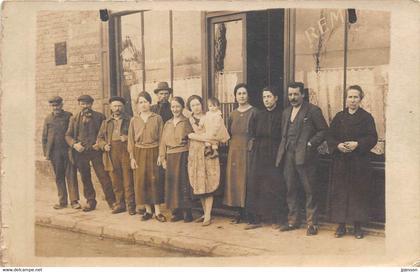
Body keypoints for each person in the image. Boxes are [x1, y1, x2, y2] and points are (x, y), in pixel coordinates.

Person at [275, 82, 328, 236]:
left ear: (302, 94)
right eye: (290, 94)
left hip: (306, 157)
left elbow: (323, 130)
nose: (293, 97)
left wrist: (310, 143)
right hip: (288, 156)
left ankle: (312, 224)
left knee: (309, 190)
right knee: (290, 188)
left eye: (296, 94)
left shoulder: (313, 110)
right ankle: (293, 221)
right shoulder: (286, 112)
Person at [326, 85, 378, 239]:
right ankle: (341, 226)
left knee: (358, 193)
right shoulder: (339, 117)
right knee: (340, 193)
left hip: (359, 162)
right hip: (341, 161)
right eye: (350, 97)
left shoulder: (366, 117)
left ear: (361, 99)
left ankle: (357, 227)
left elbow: (372, 137)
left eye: (356, 97)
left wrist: (358, 144)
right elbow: (330, 135)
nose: (352, 100)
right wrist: (337, 145)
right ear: (346, 99)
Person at [65, 95, 116, 212]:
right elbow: (68, 135)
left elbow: (105, 133)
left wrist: (99, 144)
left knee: (103, 176)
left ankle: (112, 201)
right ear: (79, 105)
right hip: (81, 152)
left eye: (87, 104)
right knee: (85, 177)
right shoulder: (74, 119)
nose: (85, 106)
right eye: (82, 104)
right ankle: (90, 201)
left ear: (91, 104)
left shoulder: (99, 117)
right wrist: (74, 144)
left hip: (96, 152)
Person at [246, 87, 287, 230]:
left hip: (275, 153)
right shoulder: (258, 114)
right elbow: (252, 133)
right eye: (264, 97)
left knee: (275, 185)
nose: (267, 100)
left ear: (275, 98)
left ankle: (277, 219)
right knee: (257, 184)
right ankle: (257, 219)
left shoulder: (282, 114)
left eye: (269, 96)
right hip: (259, 152)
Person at [128, 91, 166, 222]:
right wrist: (132, 158)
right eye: (140, 102)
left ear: (150, 103)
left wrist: (161, 155)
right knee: (142, 181)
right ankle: (148, 211)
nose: (143, 105)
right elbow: (131, 140)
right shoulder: (134, 120)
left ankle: (158, 211)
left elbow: (162, 138)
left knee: (154, 181)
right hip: (139, 152)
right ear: (137, 105)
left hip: (154, 151)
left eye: (145, 101)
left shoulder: (157, 118)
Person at [223, 83, 257, 224]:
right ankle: (239, 213)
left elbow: (256, 133)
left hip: (248, 150)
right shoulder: (232, 114)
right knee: (236, 181)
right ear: (235, 96)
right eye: (239, 94)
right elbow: (228, 133)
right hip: (235, 151)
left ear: (248, 95)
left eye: (244, 93)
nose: (241, 96)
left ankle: (250, 213)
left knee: (247, 181)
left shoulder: (255, 112)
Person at [97, 96, 136, 215]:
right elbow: (99, 138)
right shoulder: (106, 122)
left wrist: (127, 138)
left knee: (128, 180)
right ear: (111, 107)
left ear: (123, 107)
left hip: (125, 151)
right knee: (115, 180)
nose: (117, 108)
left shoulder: (130, 120)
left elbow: (137, 136)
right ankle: (120, 204)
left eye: (119, 106)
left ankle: (131, 205)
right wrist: (104, 146)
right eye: (115, 106)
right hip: (112, 153)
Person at [187, 95, 221, 226]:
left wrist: (194, 136)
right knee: (199, 182)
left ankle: (208, 214)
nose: (196, 107)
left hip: (208, 152)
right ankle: (204, 212)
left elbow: (214, 137)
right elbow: (187, 135)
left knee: (208, 181)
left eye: (198, 104)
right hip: (195, 153)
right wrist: (194, 136)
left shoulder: (209, 117)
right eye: (193, 105)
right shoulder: (189, 120)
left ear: (202, 105)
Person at [159, 97, 194, 223]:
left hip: (183, 154)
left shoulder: (186, 122)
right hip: (170, 155)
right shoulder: (167, 123)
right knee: (172, 184)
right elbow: (163, 142)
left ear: (182, 107)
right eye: (173, 107)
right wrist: (163, 158)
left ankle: (187, 212)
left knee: (183, 183)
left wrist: (190, 157)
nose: (175, 109)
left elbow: (191, 140)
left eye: (177, 106)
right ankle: (175, 212)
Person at [42, 96, 80, 210]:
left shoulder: (69, 116)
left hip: (67, 150)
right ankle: (62, 201)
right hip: (55, 152)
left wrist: (73, 146)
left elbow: (73, 132)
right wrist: (46, 153)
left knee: (71, 175)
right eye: (53, 106)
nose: (56, 108)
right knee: (59, 176)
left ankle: (74, 201)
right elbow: (44, 137)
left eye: (57, 105)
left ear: (61, 105)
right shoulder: (48, 118)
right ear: (51, 106)